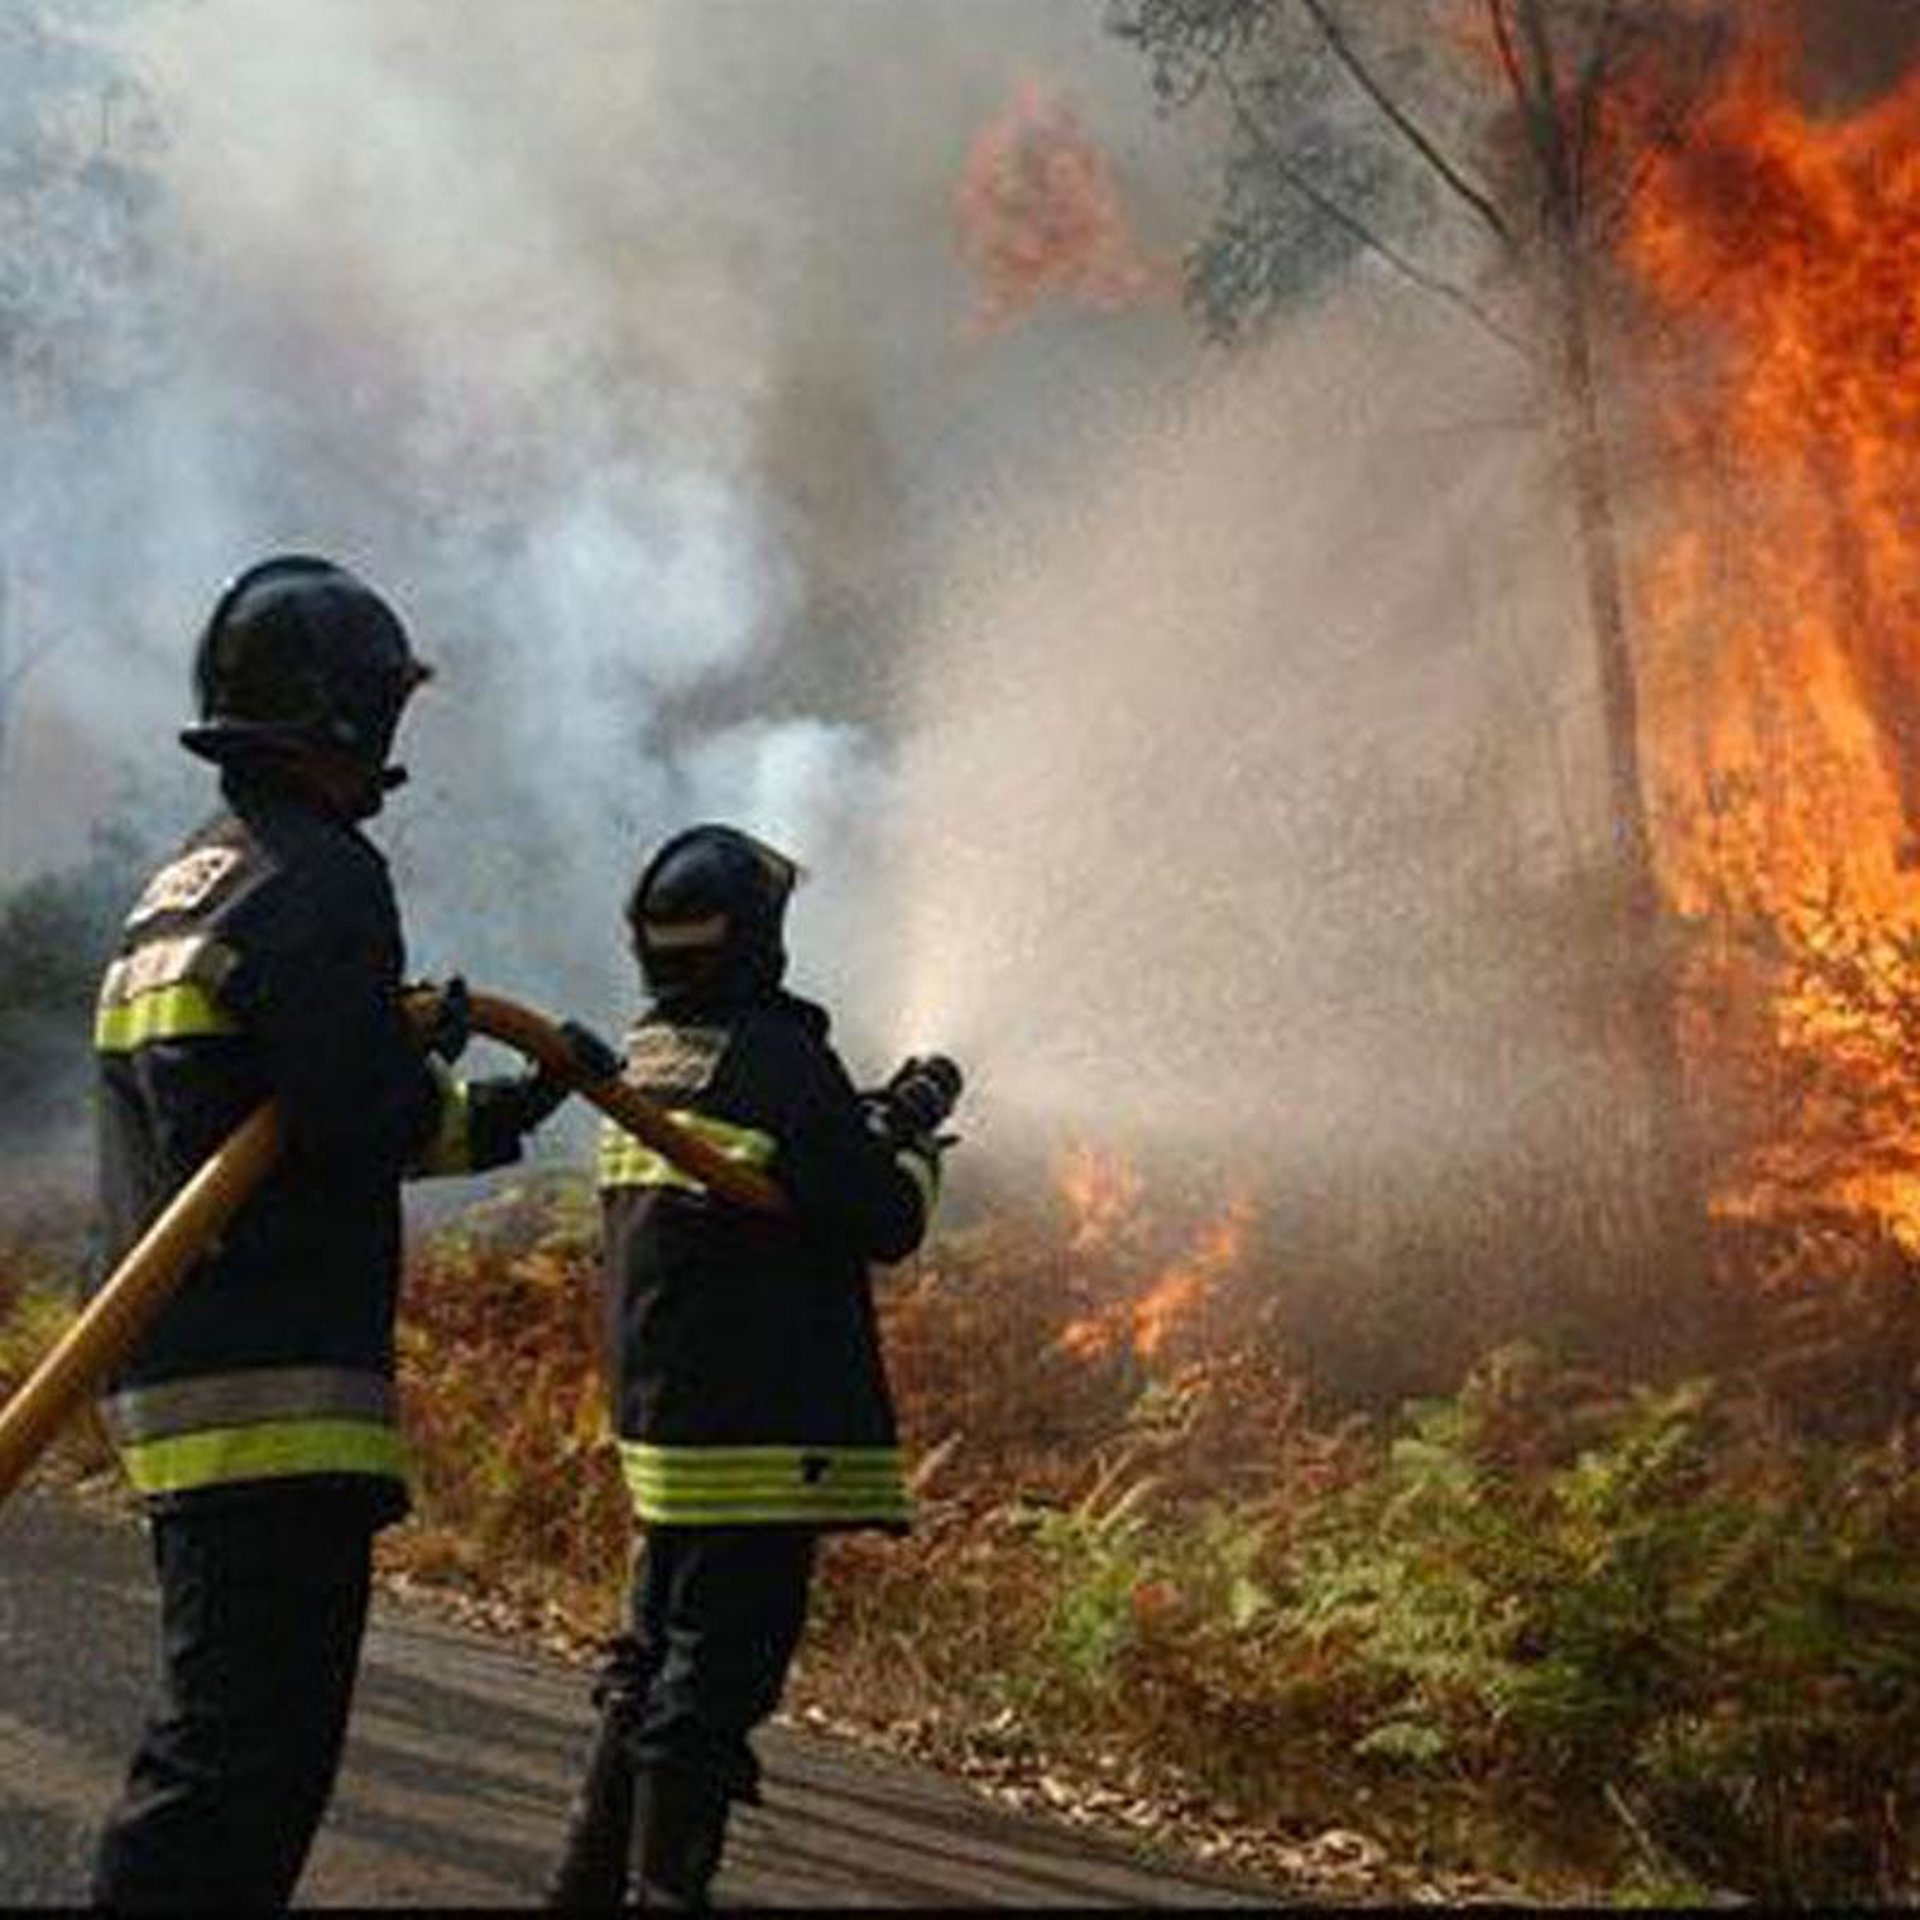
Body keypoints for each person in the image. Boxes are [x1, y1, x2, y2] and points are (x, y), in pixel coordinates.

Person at [89, 555, 583, 1910]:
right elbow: (354, 1111)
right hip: (273, 1394)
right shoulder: (321, 876)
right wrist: (419, 1045)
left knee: (224, 1744)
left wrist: (498, 1112)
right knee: (238, 1770)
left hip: (176, 1367)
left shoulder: (187, 883)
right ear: (345, 712)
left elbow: (274, 1120)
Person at [546, 823, 964, 1912]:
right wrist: (913, 1139)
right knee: (710, 1686)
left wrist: (860, 1123)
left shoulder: (650, 1055)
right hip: (758, 1441)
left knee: (649, 1661)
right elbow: (884, 1218)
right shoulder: (779, 1060)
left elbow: (771, 1174)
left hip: (668, 1433)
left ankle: (582, 1889)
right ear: (760, 940)